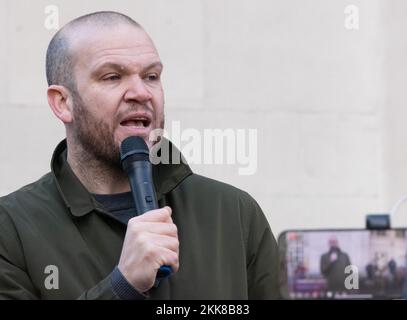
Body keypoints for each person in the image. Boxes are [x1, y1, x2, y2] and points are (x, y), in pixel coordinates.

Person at [0, 11, 279, 300]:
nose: (140, 92)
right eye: (112, 77)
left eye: (151, 76)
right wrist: (122, 287)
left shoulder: (234, 213)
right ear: (62, 102)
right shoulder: (12, 229)